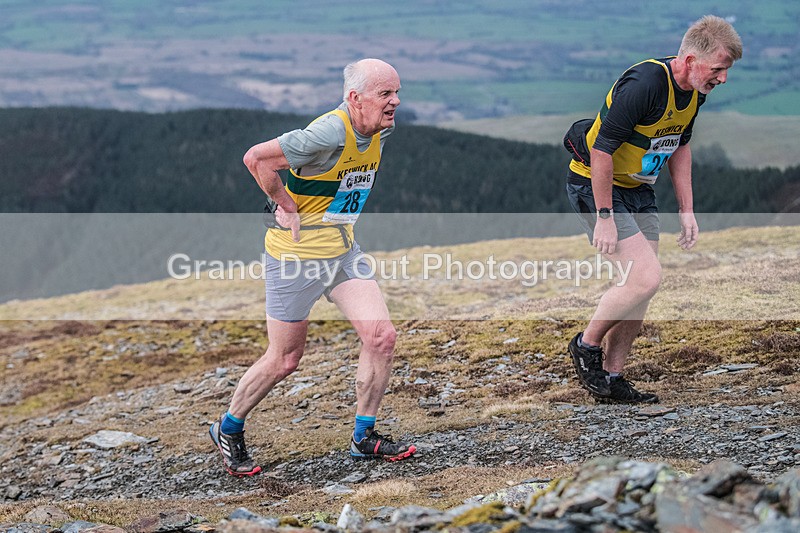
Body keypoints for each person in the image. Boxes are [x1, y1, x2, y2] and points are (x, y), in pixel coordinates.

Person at [209, 58, 416, 477]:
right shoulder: (328, 131)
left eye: (397, 92)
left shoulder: (380, 128)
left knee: (381, 337)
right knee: (285, 359)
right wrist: (284, 205)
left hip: (341, 252)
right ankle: (227, 428)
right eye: (385, 94)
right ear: (355, 98)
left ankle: (364, 436)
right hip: (296, 257)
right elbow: (256, 159)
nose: (395, 102)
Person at [563, 15, 742, 403]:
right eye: (719, 69)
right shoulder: (645, 84)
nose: (722, 79)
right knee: (644, 278)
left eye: (726, 71)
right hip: (598, 186)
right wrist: (605, 217)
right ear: (692, 59)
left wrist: (687, 209)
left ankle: (611, 378)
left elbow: (679, 145)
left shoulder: (695, 90)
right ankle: (586, 345)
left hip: (640, 190)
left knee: (641, 289)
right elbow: (601, 150)